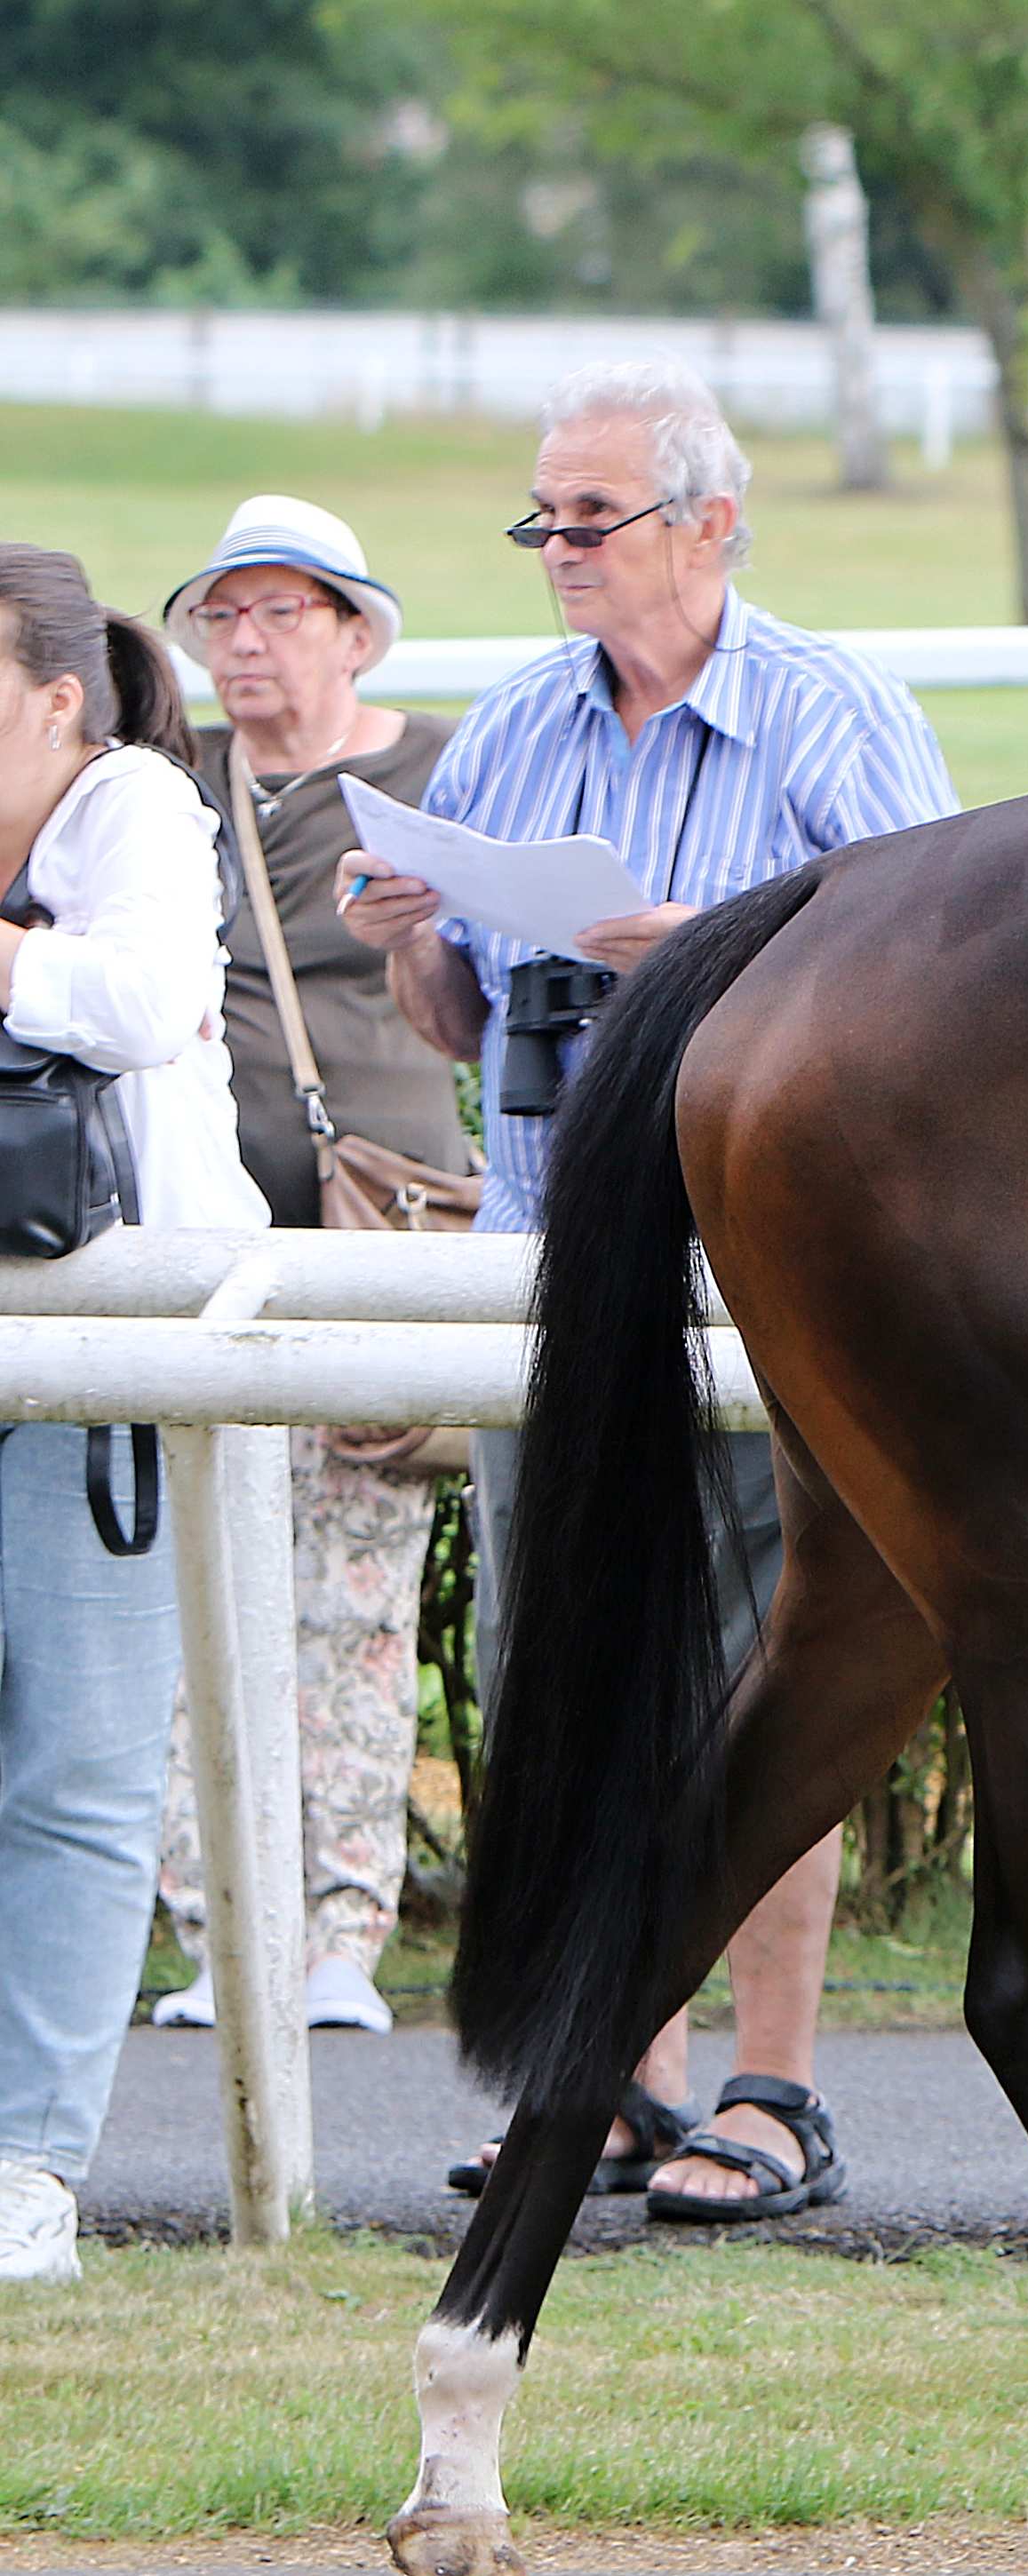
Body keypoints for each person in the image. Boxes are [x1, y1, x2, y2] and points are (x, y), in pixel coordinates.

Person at [341, 361, 957, 2223]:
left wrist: (696, 951)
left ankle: (772, 2088)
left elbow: (933, 975)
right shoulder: (513, 724)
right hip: (557, 1259)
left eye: (589, 519)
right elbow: (462, 1028)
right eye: (542, 518)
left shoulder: (833, 713)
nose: (557, 552)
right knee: (565, 1664)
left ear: (709, 524)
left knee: (779, 1669)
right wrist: (408, 951)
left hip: (776, 1264)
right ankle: (616, 2076)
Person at [141, 496, 463, 2039]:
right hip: (199, 1236)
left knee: (354, 1587)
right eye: (223, 616)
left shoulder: (428, 771)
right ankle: (219, 1921)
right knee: (196, 1582)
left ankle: (341, 1921)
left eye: (280, 612)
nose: (246, 643)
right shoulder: (168, 786)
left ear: (354, 628)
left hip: (372, 1232)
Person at [0, 547, 267, 2286]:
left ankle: (31, 2170)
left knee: (81, 1770)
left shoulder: (140, 804)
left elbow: (148, 1000)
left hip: (109, 1350)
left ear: (54, 701)